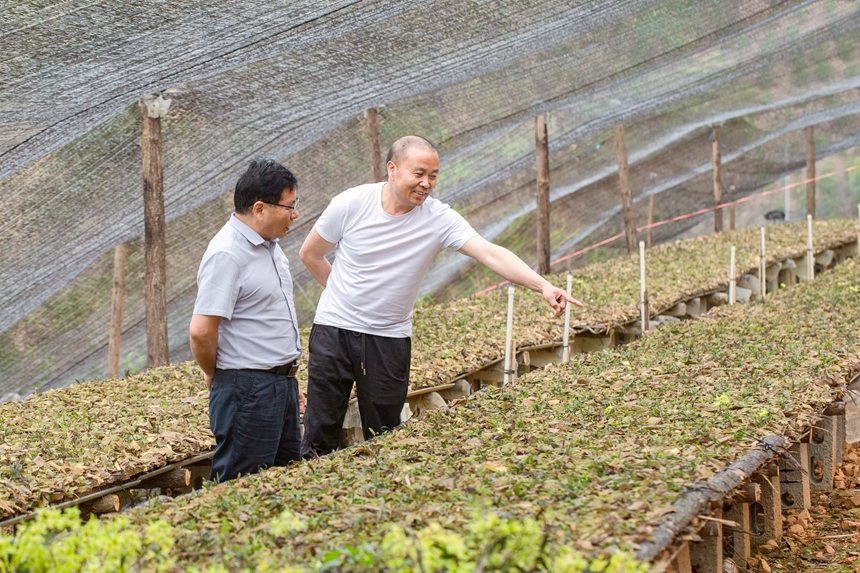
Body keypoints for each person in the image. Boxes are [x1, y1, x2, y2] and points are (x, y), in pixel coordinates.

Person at [299, 135, 581, 457]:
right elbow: (311, 254)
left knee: (384, 432)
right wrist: (344, 295)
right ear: (392, 169)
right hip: (334, 330)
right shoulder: (350, 204)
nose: (426, 183)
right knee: (320, 429)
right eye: (418, 173)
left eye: (433, 176)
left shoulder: (437, 218)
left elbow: (488, 253)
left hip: (388, 337)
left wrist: (542, 285)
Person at [189, 159, 305, 482]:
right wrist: (219, 375)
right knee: (243, 489)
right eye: (290, 206)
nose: (295, 214)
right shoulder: (227, 253)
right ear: (259, 209)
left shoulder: (270, 246)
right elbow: (201, 332)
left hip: (279, 387)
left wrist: (285, 381)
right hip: (247, 390)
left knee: (286, 483)